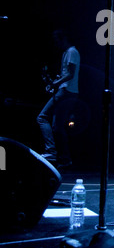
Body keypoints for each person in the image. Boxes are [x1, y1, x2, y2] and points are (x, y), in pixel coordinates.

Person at [37, 29, 80, 168]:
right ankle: (65, 158)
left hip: (67, 91)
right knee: (57, 127)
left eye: (57, 40)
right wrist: (56, 82)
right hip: (67, 91)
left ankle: (51, 151)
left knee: (42, 117)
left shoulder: (72, 52)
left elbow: (70, 74)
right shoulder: (68, 53)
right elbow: (66, 74)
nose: (56, 43)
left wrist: (56, 83)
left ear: (64, 38)